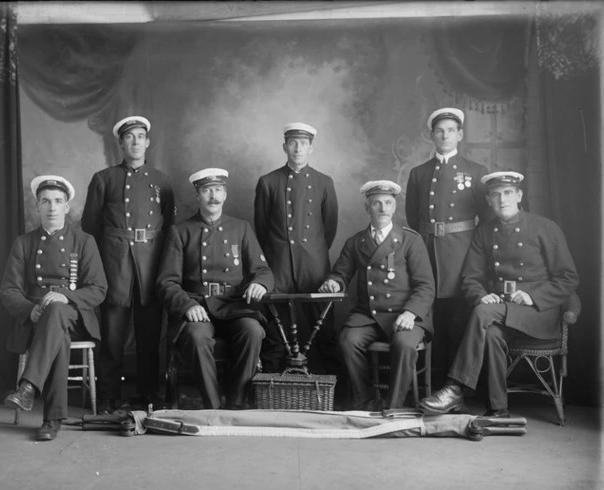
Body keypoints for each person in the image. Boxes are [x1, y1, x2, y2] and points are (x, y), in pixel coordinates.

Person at [419, 172, 579, 417]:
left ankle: (455, 388)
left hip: (540, 314)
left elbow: (568, 278)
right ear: (489, 200)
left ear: (519, 195)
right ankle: (498, 410)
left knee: (484, 314)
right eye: (495, 195)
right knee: (491, 333)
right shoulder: (484, 231)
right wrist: (481, 295)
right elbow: (470, 278)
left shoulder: (545, 228)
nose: (502, 199)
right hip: (501, 312)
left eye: (507, 193)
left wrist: (533, 297)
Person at [157, 168, 274, 409]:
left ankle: (236, 401)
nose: (213, 196)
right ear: (198, 195)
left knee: (252, 331)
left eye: (218, 190)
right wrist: (186, 305)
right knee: (196, 336)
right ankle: (213, 407)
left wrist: (259, 284)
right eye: (207, 190)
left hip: (234, 306)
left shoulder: (241, 228)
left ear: (225, 194)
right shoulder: (181, 232)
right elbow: (166, 282)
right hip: (198, 305)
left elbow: (263, 270)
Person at [1, 176, 107, 441]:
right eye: (45, 201)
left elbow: (98, 289)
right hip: (36, 318)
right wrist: (29, 310)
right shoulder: (23, 243)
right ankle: (51, 420)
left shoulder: (84, 241)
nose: (52, 207)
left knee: (58, 313)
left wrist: (64, 296)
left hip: (75, 314)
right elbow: (9, 290)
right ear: (37, 206)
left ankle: (27, 388)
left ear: (67, 207)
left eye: (58, 201)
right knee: (56, 330)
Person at [81, 115, 176, 413]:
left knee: (149, 335)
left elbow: (170, 226)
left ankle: (148, 393)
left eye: (140, 137)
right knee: (112, 335)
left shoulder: (161, 180)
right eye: (129, 137)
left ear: (148, 142)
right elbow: (90, 227)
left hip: (151, 264)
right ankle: (109, 396)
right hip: (114, 264)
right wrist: (103, 265)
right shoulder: (104, 179)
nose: (135, 142)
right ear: (121, 143)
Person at [319, 180, 435, 410]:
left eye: (388, 203)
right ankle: (367, 400)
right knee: (347, 341)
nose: (383, 208)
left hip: (405, 315)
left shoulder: (410, 240)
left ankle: (393, 407)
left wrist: (411, 313)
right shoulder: (356, 242)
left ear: (394, 207)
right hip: (369, 315)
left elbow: (426, 285)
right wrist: (333, 282)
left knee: (404, 344)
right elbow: (341, 272)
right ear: (367, 208)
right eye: (376, 203)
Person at [405, 107, 492, 373]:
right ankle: (435, 380)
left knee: (460, 316)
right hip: (428, 250)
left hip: (463, 252)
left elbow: (486, 218)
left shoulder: (476, 171)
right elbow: (412, 217)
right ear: (431, 135)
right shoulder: (419, 173)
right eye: (440, 131)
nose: (445, 136)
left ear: (460, 135)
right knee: (433, 315)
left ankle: (459, 384)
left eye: (451, 131)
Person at [254, 122, 339, 374]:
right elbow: (261, 228)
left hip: (314, 267)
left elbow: (329, 228)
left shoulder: (324, 182)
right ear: (284, 146)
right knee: (274, 335)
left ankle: (336, 393)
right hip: (278, 267)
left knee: (323, 331)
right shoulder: (268, 182)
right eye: (293, 143)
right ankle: (270, 390)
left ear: (311, 148)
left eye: (303, 143)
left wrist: (312, 252)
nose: (298, 148)